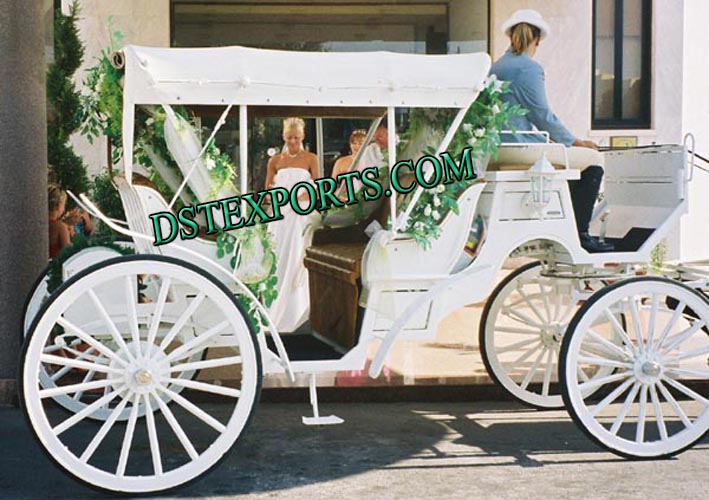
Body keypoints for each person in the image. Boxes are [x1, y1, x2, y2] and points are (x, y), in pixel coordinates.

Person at [490, 9, 613, 253]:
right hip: (521, 147)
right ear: (538, 39)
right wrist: (575, 142)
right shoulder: (528, 68)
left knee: (572, 160)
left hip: (498, 148)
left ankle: (565, 224)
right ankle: (578, 234)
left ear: (511, 36)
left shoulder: (497, 66)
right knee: (594, 160)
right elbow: (543, 116)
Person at [264, 117, 320, 332]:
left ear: (303, 136)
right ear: (283, 137)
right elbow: (268, 187)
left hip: (301, 214)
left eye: (296, 138)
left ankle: (298, 313)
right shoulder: (275, 160)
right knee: (277, 258)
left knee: (298, 256)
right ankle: (273, 310)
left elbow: (318, 187)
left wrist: (300, 198)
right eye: (289, 138)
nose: (293, 142)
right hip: (280, 215)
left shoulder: (311, 158)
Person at [48, 184, 71, 259]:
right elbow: (67, 254)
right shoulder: (60, 227)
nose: (64, 209)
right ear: (58, 205)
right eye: (64, 204)